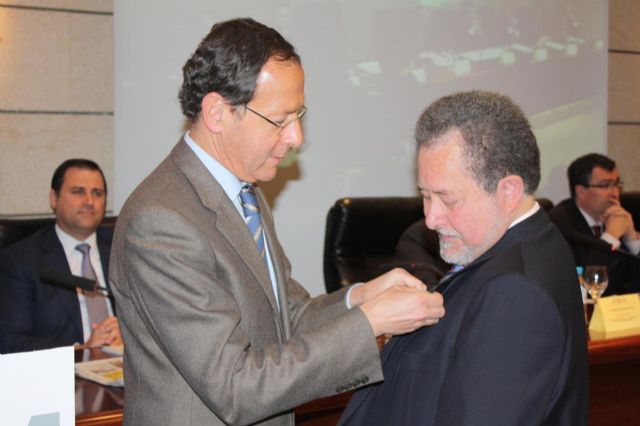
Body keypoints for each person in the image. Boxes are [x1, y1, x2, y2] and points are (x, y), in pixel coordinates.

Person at [109, 18, 444, 426]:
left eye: (298, 116)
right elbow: (234, 387)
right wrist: (370, 323)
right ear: (217, 112)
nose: (296, 137)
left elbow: (289, 316)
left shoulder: (245, 192)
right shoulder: (161, 220)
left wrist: (361, 298)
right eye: (280, 120)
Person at [339, 91, 589, 426]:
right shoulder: (527, 244)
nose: (431, 219)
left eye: (447, 199)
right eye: (425, 196)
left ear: (509, 191)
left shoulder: (515, 292)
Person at [0, 159, 121, 353]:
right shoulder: (21, 260)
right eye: (78, 192)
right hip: (64, 369)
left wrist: (128, 334)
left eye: (97, 193)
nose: (89, 202)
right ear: (54, 198)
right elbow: (10, 342)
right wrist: (80, 350)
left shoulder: (123, 249)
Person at [549, 153, 640, 295]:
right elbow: (583, 285)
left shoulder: (619, 215)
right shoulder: (559, 223)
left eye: (616, 184)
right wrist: (611, 236)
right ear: (581, 191)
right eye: (605, 185)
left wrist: (632, 239)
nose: (615, 193)